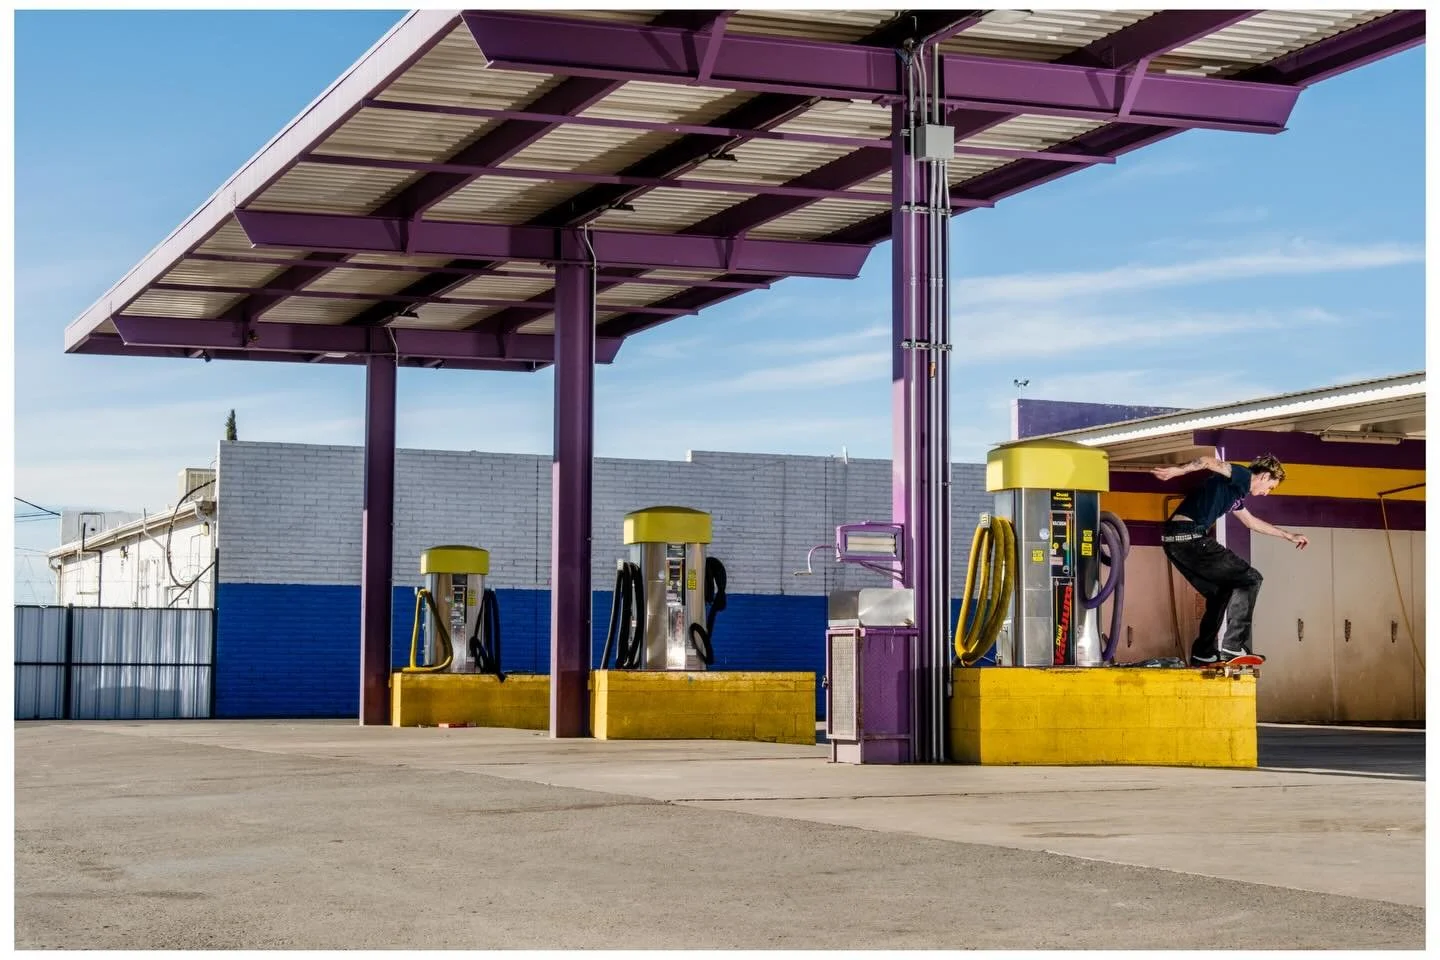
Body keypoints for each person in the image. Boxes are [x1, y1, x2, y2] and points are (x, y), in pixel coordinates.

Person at [1150, 453, 1308, 665]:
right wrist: (1178, 471)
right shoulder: (1241, 475)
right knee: (1251, 579)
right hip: (1190, 537)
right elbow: (1207, 461)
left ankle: (1203, 652)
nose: (1266, 493)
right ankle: (1233, 646)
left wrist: (1288, 535)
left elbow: (1251, 522)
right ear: (1264, 476)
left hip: (1173, 542)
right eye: (1270, 487)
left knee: (1220, 592)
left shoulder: (1235, 494)